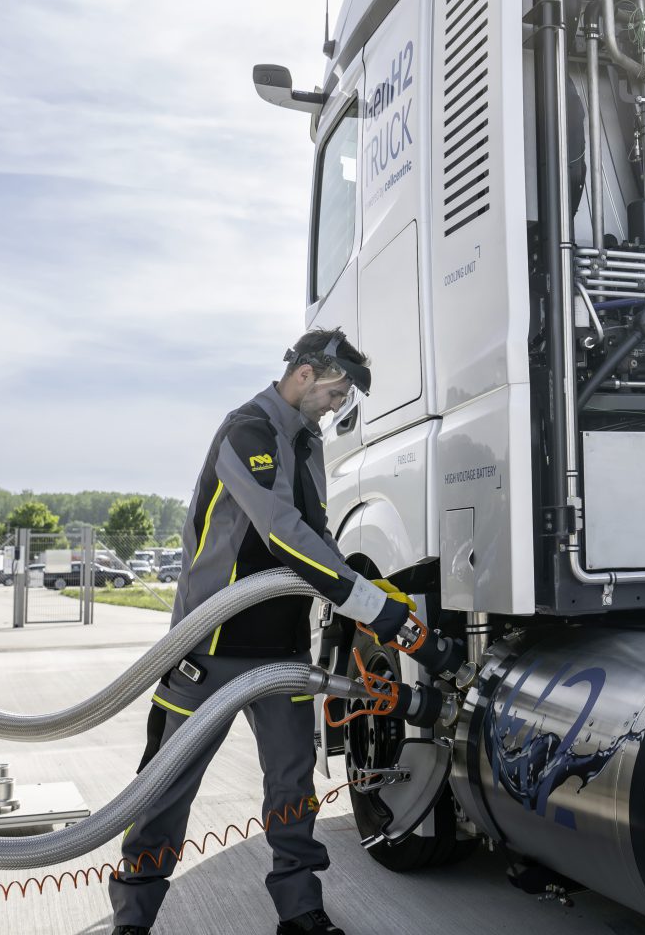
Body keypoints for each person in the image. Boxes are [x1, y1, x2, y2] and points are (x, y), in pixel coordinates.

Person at [110, 329, 447, 935]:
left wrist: (379, 594)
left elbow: (318, 539)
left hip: (282, 651)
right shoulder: (248, 433)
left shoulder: (305, 442)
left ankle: (300, 915)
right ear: (304, 374)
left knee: (292, 790)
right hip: (209, 648)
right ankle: (133, 922)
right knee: (164, 790)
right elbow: (283, 533)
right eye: (337, 391)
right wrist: (370, 606)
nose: (340, 405)